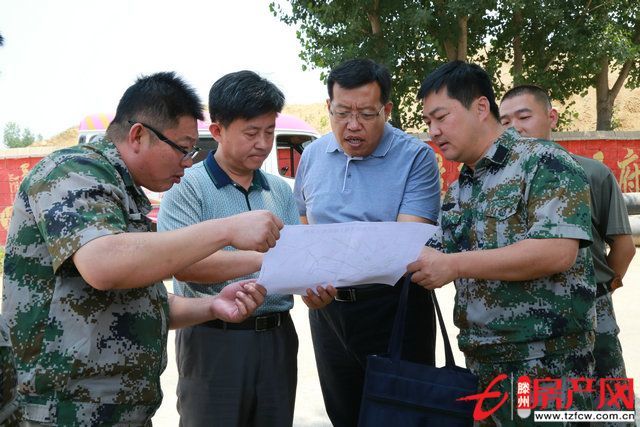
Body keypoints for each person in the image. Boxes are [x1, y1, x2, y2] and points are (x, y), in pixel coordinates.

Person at [1, 72, 282, 425]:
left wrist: (212, 305)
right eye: (183, 148)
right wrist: (227, 229)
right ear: (138, 135)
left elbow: (143, 301)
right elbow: (104, 265)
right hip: (61, 410)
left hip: (115, 410)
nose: (188, 162)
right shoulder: (72, 171)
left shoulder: (123, 194)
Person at [409, 61, 596, 424]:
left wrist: (453, 265)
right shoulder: (460, 189)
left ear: (481, 107)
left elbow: (556, 251)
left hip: (544, 365)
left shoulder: (542, 162)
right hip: (481, 365)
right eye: (428, 121)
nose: (433, 131)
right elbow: (434, 251)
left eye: (441, 117)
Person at [158, 70, 335, 427]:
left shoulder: (278, 190)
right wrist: (265, 259)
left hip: (277, 338)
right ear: (218, 130)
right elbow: (184, 265)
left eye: (269, 131)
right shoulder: (186, 186)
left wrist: (313, 291)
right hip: (212, 338)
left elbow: (295, 262)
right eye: (251, 133)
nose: (263, 143)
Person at [294, 58, 441, 426]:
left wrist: (326, 259)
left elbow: (403, 245)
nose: (353, 125)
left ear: (386, 110)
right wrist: (308, 279)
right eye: (342, 112)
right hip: (327, 311)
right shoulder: (312, 156)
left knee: (402, 416)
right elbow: (304, 224)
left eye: (366, 113)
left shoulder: (415, 157)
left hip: (394, 307)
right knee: (343, 413)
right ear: (328, 107)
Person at [499, 84, 635, 384]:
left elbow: (624, 247)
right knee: (538, 399)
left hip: (590, 308)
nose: (514, 128)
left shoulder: (592, 173)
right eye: (505, 122)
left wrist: (603, 289)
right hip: (521, 315)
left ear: (552, 117)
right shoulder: (496, 183)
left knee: (606, 395)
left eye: (524, 117)